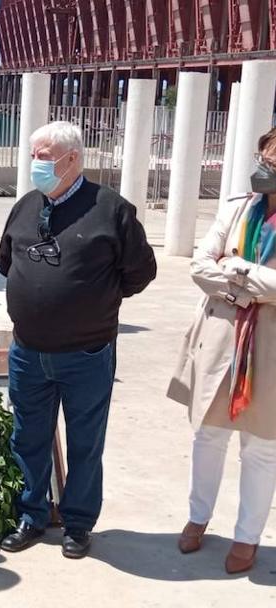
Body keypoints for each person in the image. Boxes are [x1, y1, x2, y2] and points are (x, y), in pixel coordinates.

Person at [0, 121, 156, 559]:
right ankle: (31, 516)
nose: (36, 164)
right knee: (27, 436)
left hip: (87, 353)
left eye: (45, 157)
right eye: (33, 154)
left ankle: (78, 524)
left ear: (73, 160)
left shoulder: (112, 210)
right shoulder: (25, 206)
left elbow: (140, 273)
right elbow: (6, 262)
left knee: (85, 442)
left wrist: (92, 301)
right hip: (28, 351)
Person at [168, 128, 276, 574]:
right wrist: (248, 287)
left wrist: (237, 270)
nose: (263, 169)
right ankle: (198, 516)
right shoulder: (237, 209)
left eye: (272, 165)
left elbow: (226, 269)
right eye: (264, 158)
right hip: (220, 337)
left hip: (269, 348)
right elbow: (199, 266)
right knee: (207, 435)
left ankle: (247, 537)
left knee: (262, 446)